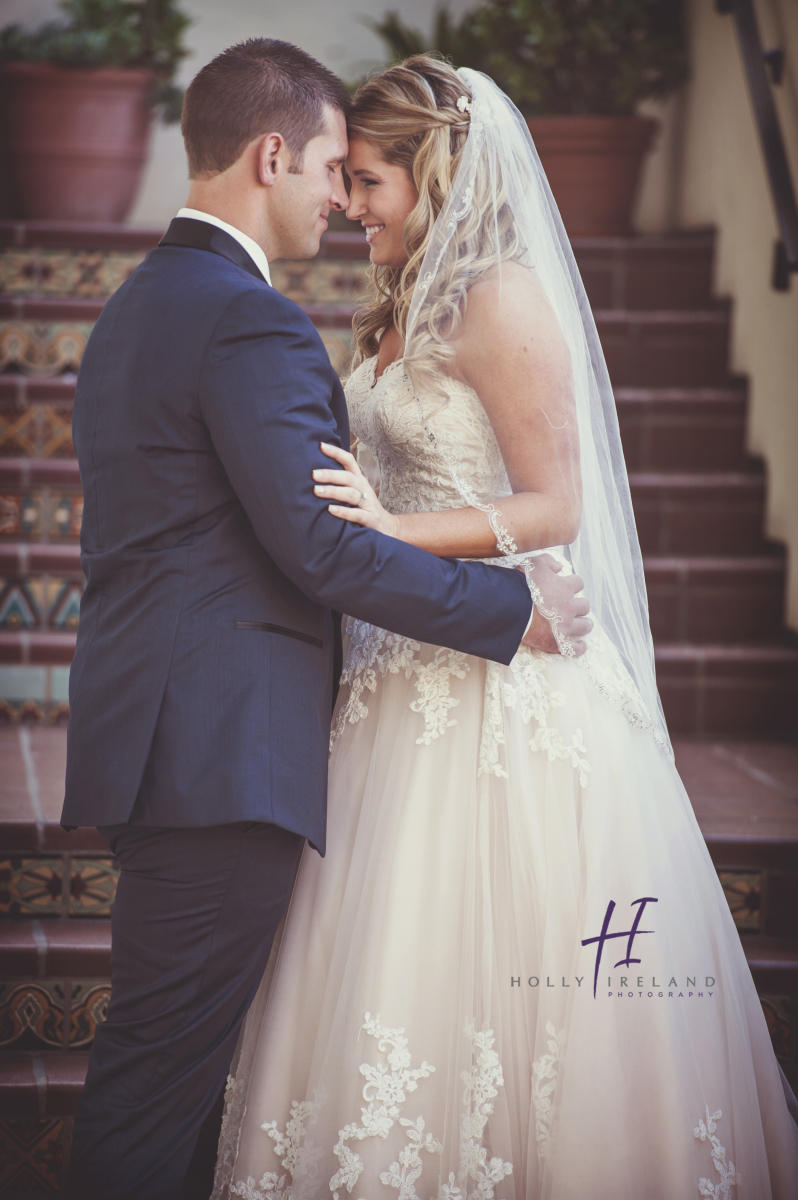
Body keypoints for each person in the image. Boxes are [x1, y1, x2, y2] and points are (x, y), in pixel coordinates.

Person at [210, 57, 798, 1200]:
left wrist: (391, 529)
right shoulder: (396, 298)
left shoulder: (503, 299)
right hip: (393, 686)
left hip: (503, 685)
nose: (348, 203)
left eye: (368, 180)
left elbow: (556, 507)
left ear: (430, 174)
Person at [60, 40, 589, 1200]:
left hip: (168, 742)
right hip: (217, 758)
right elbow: (318, 547)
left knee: (180, 1073)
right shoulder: (246, 321)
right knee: (160, 1085)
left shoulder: (141, 304)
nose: (338, 199)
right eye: (331, 170)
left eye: (364, 178)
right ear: (271, 154)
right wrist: (512, 609)